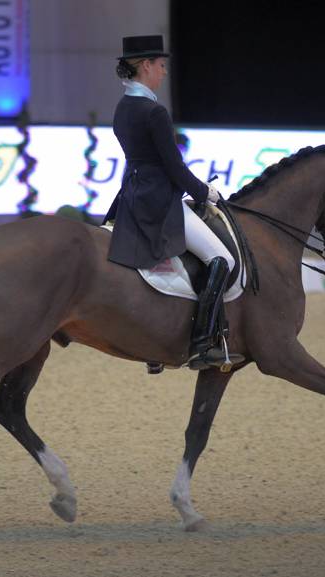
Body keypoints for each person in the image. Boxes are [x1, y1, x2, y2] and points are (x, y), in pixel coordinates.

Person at [103, 34, 237, 371]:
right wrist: (205, 193)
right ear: (146, 66)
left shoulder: (122, 107)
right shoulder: (154, 112)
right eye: (161, 66)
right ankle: (202, 343)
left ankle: (153, 346)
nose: (163, 73)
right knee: (221, 259)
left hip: (131, 197)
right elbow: (174, 169)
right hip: (160, 201)